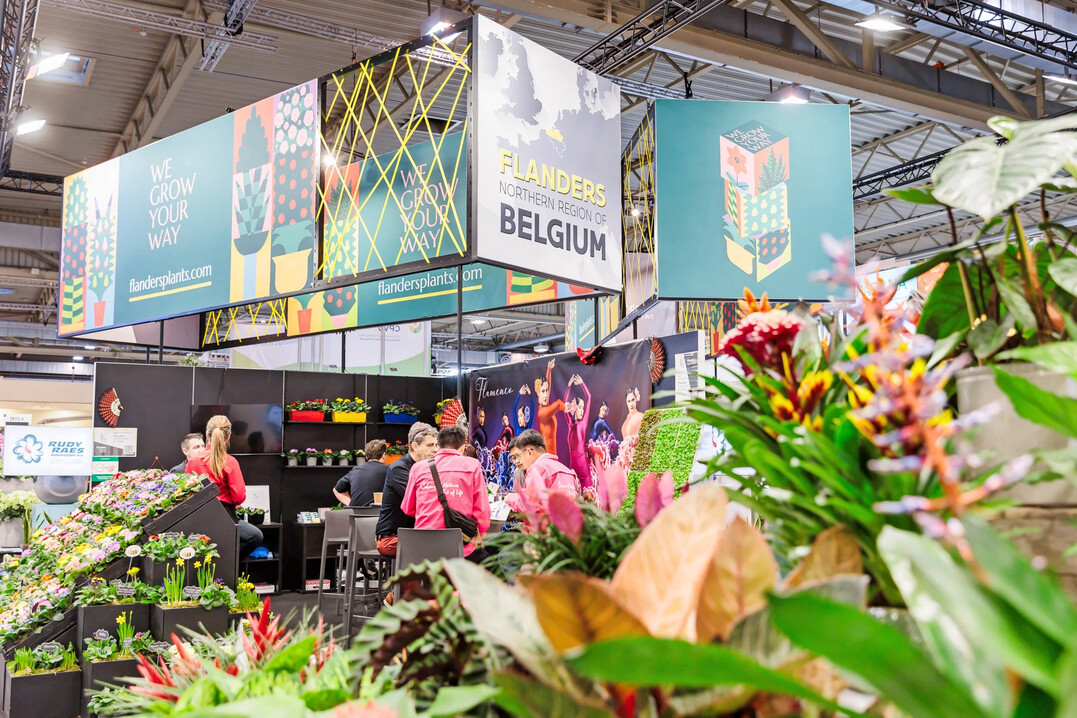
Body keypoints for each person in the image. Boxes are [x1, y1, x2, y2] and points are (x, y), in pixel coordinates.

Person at [402, 426, 491, 562]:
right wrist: (480, 535)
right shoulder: (472, 465)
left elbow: (408, 508)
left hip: (423, 550)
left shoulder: (418, 468)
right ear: (463, 447)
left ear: (438, 446)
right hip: (460, 549)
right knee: (492, 565)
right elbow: (482, 512)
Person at [185, 415, 263, 561]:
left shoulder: (193, 462)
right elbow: (239, 497)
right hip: (225, 518)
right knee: (256, 536)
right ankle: (229, 562)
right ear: (228, 437)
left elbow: (187, 493)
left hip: (197, 519)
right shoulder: (230, 462)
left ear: (207, 435)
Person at [375, 423, 438, 557]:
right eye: (430, 445)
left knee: (451, 544)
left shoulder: (429, 468)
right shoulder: (399, 469)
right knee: (440, 547)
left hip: (417, 534)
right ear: (415, 446)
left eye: (436, 445)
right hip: (392, 538)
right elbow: (420, 500)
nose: (435, 450)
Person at [506, 429, 580, 510]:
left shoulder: (537, 469)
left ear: (529, 452)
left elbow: (529, 504)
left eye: (519, 456)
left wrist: (510, 498)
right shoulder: (566, 470)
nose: (518, 460)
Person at [333, 439, 388, 507]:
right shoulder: (389, 470)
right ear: (383, 455)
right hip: (378, 512)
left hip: (356, 513)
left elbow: (336, 490)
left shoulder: (355, 470)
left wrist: (352, 505)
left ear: (366, 456)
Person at [563, 374, 593, 491]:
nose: (582, 411)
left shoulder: (583, 423)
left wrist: (582, 383)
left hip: (584, 471)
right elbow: (564, 403)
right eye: (580, 407)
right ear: (575, 408)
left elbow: (589, 397)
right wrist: (569, 386)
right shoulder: (570, 424)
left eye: (583, 408)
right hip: (573, 469)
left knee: (588, 498)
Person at [534, 359, 566, 456]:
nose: (546, 395)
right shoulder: (542, 413)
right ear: (538, 392)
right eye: (543, 391)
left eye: (547, 391)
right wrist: (566, 407)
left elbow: (548, 385)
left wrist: (549, 369)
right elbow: (559, 404)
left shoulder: (545, 404)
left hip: (552, 456)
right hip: (547, 457)